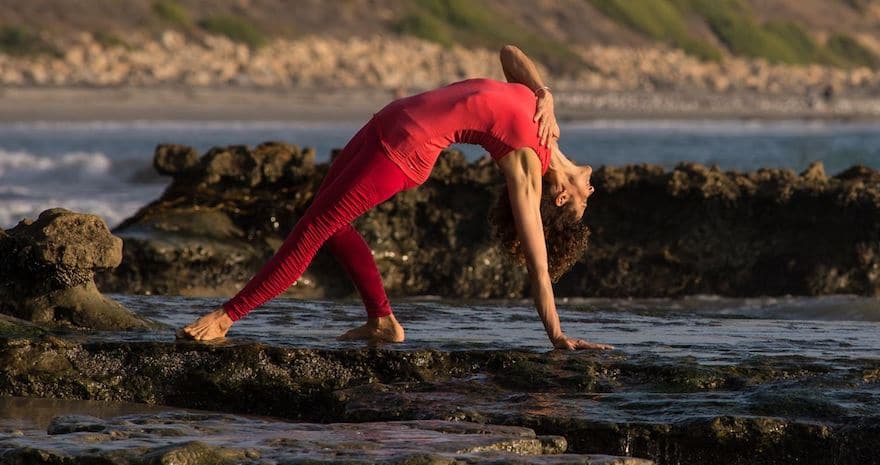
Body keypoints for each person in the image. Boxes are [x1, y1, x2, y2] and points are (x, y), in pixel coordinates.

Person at [178, 45, 608, 351]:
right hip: (389, 120)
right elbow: (509, 51)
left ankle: (226, 317)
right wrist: (544, 91)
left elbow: (539, 269)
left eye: (582, 206)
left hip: (402, 153)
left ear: (558, 199)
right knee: (325, 221)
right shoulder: (546, 120)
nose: (591, 194)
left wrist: (558, 336)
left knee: (311, 230)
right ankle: (381, 320)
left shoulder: (527, 169)